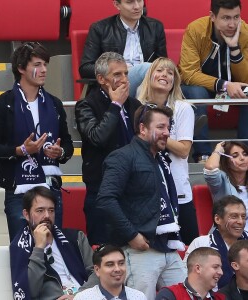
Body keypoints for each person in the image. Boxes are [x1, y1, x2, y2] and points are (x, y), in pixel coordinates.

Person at [0, 42, 74, 242]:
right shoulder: (2, 104)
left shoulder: (54, 104)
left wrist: (60, 152)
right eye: (38, 65)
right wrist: (20, 150)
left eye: (45, 65)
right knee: (21, 249)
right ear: (21, 68)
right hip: (18, 190)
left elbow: (67, 144)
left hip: (50, 188)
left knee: (54, 250)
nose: (44, 70)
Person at [96, 105, 187, 300]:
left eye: (168, 128)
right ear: (143, 128)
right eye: (161, 127)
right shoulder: (123, 156)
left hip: (167, 246)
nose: (167, 133)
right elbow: (105, 199)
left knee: (186, 295)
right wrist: (132, 235)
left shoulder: (161, 159)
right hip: (140, 250)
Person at [75, 52, 141, 246]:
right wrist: (115, 106)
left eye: (126, 74)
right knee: (105, 253)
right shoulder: (86, 105)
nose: (124, 80)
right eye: (117, 74)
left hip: (133, 188)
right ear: (101, 79)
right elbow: (97, 137)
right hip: (103, 190)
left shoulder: (135, 105)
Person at [137, 57, 198, 245]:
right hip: (147, 191)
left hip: (178, 190)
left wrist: (157, 133)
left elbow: (184, 150)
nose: (164, 75)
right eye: (160, 71)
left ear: (174, 82)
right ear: (150, 76)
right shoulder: (138, 108)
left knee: (190, 249)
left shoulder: (183, 108)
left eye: (170, 73)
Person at [178, 0, 248, 163]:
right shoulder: (196, 29)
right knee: (196, 92)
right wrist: (223, 85)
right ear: (213, 17)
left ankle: (243, 152)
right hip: (201, 85)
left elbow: (245, 79)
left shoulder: (244, 32)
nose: (232, 24)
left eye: (236, 17)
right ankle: (203, 155)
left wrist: (235, 49)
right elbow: (188, 73)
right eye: (225, 18)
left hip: (233, 86)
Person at [9, 186, 99, 300]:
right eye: (40, 210)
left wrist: (79, 296)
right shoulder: (20, 247)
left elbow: (98, 272)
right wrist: (39, 248)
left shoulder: (76, 237)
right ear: (26, 214)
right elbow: (30, 290)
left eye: (51, 210)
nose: (47, 215)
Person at [79, 0, 167, 97]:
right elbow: (86, 68)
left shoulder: (155, 27)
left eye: (139, 1)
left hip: (147, 83)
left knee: (163, 73)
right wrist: (117, 70)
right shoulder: (100, 28)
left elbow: (163, 63)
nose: (137, 6)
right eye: (130, 2)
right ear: (117, 5)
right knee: (146, 69)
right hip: (116, 80)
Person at [184, 195, 248, 289]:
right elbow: (187, 279)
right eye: (234, 216)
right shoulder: (201, 244)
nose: (241, 221)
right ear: (218, 219)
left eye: (243, 217)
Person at [74, 244, 147, 300]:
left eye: (121, 263)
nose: (117, 269)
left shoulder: (139, 297)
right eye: (110, 265)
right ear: (97, 270)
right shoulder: (83, 298)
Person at [204, 141, 248, 230]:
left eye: (245, 154)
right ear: (226, 161)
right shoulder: (222, 181)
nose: (242, 158)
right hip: (230, 237)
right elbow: (211, 168)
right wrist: (217, 151)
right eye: (235, 156)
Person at [156, 247, 226, 300]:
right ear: (198, 268)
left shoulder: (221, 298)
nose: (221, 272)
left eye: (220, 268)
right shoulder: (170, 294)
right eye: (215, 267)